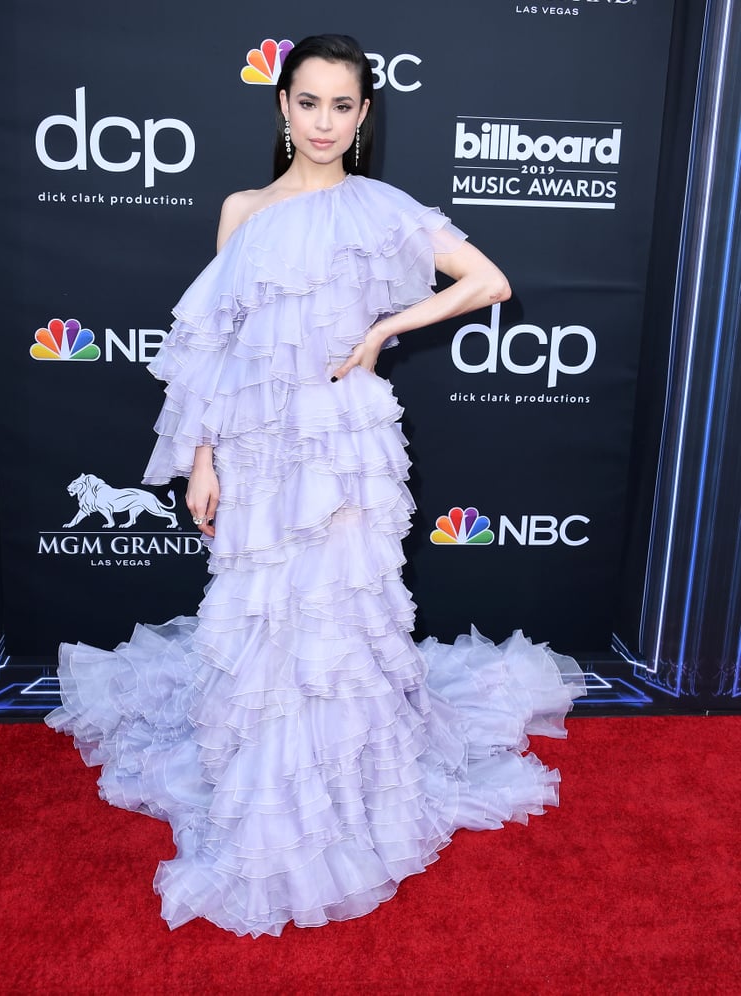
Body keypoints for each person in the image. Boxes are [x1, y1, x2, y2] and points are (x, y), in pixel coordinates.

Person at [46, 33, 586, 938]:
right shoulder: (243, 210)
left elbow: (486, 281)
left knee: (339, 612)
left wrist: (383, 333)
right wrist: (206, 458)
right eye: (309, 102)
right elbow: (219, 346)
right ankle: (266, 772)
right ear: (281, 106)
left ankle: (341, 779)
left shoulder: (381, 210)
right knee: (266, 611)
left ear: (364, 114)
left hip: (343, 445)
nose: (324, 122)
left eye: (343, 105)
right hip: (260, 447)